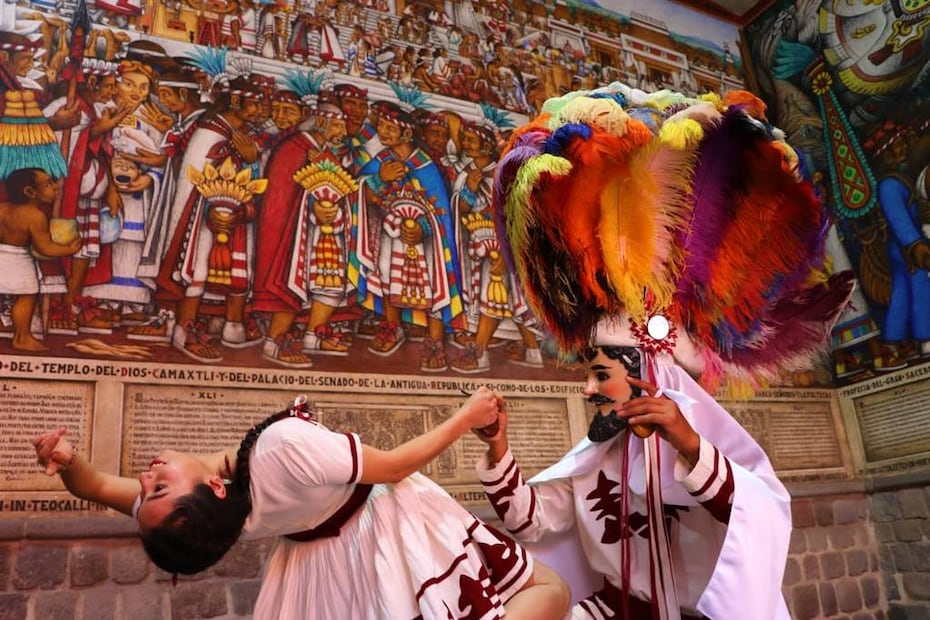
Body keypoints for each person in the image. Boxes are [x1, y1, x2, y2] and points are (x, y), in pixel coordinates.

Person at [33, 388, 570, 620]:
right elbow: (397, 465)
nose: (147, 476)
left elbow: (99, 487)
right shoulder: (281, 449)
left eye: (148, 486)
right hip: (388, 523)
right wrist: (467, 416)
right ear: (211, 490)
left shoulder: (224, 515)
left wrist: (67, 461)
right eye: (159, 486)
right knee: (551, 590)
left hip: (323, 565)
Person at [475, 319, 792, 618]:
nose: (588, 389)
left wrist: (691, 446)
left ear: (646, 378)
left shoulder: (711, 449)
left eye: (600, 375)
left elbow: (757, 514)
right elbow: (528, 521)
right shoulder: (593, 458)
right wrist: (498, 445)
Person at [0, 168, 81, 350]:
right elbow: (45, 247)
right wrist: (69, 249)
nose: (55, 187)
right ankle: (22, 337)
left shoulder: (1, 209)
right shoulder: (35, 216)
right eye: (49, 183)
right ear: (30, 192)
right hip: (18, 261)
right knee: (26, 297)